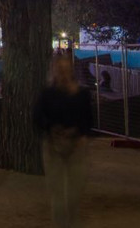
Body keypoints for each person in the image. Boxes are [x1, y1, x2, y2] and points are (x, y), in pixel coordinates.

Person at [34, 53, 92, 228]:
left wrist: (81, 134)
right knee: (57, 193)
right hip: (54, 145)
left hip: (76, 146)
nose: (62, 73)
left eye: (65, 69)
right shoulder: (47, 94)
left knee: (74, 193)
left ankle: (72, 222)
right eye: (59, 69)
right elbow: (37, 117)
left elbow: (88, 119)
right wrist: (51, 130)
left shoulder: (82, 94)